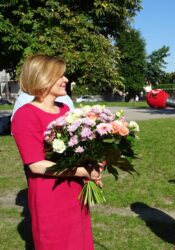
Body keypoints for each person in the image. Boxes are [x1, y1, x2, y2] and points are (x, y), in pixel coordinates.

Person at [11, 54, 102, 250]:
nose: (66, 80)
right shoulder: (26, 115)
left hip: (75, 193)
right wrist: (83, 172)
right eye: (60, 75)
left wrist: (93, 163)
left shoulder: (64, 111)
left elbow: (78, 148)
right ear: (42, 77)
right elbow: (36, 165)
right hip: (50, 197)